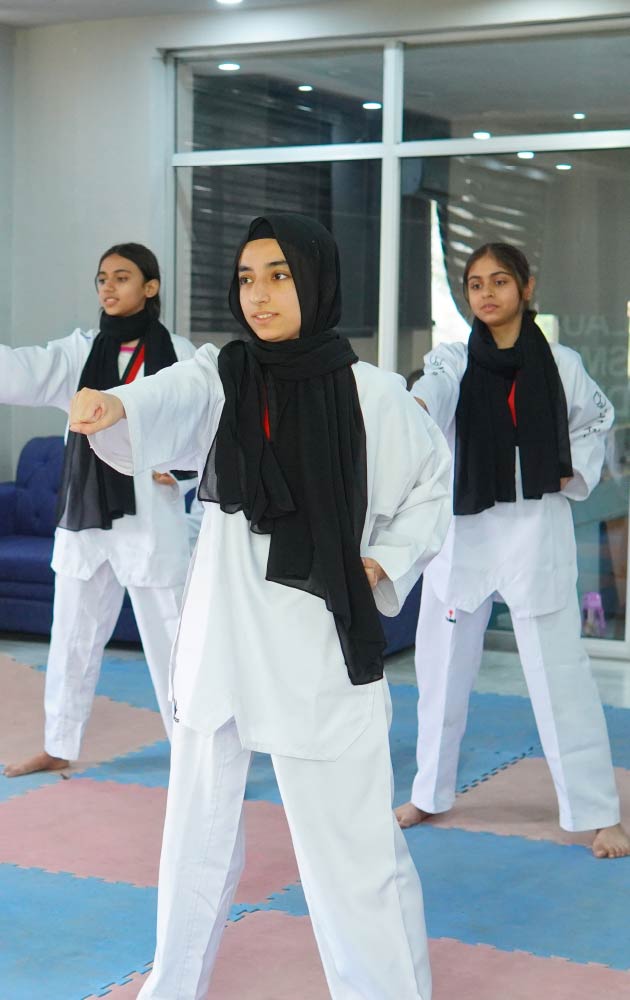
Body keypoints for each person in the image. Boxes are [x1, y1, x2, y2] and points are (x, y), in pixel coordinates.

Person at [68, 213, 452, 999]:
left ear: (316, 281)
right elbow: (172, 396)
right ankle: (170, 988)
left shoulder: (375, 395)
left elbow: (430, 487)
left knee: (353, 851)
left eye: (278, 275)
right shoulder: (224, 375)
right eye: (247, 278)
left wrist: (382, 560)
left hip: (319, 641)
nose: (259, 295)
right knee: (195, 838)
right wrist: (119, 406)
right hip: (224, 635)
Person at [395, 242, 630, 860]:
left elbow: (596, 420)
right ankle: (429, 792)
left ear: (526, 287)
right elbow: (434, 389)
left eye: (500, 281)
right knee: (441, 672)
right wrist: (414, 404)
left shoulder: (563, 364)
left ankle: (597, 812)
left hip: (534, 530)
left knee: (561, 676)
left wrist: (569, 468)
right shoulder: (452, 359)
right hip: (464, 532)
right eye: (475, 284)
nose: (487, 294)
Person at [0, 243, 196, 777]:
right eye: (102, 278)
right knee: (70, 636)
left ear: (150, 287)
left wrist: (183, 469)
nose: (108, 286)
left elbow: (209, 425)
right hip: (86, 518)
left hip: (150, 519)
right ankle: (58, 744)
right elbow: (19, 370)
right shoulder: (78, 352)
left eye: (122, 277)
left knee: (175, 642)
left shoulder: (180, 355)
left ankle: (196, 754)